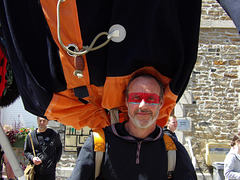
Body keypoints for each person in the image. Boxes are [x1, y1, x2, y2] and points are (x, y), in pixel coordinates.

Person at [69, 73, 197, 180]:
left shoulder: (173, 151)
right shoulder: (98, 144)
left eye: (151, 99)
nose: (143, 105)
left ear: (161, 103)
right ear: (126, 101)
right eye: (136, 98)